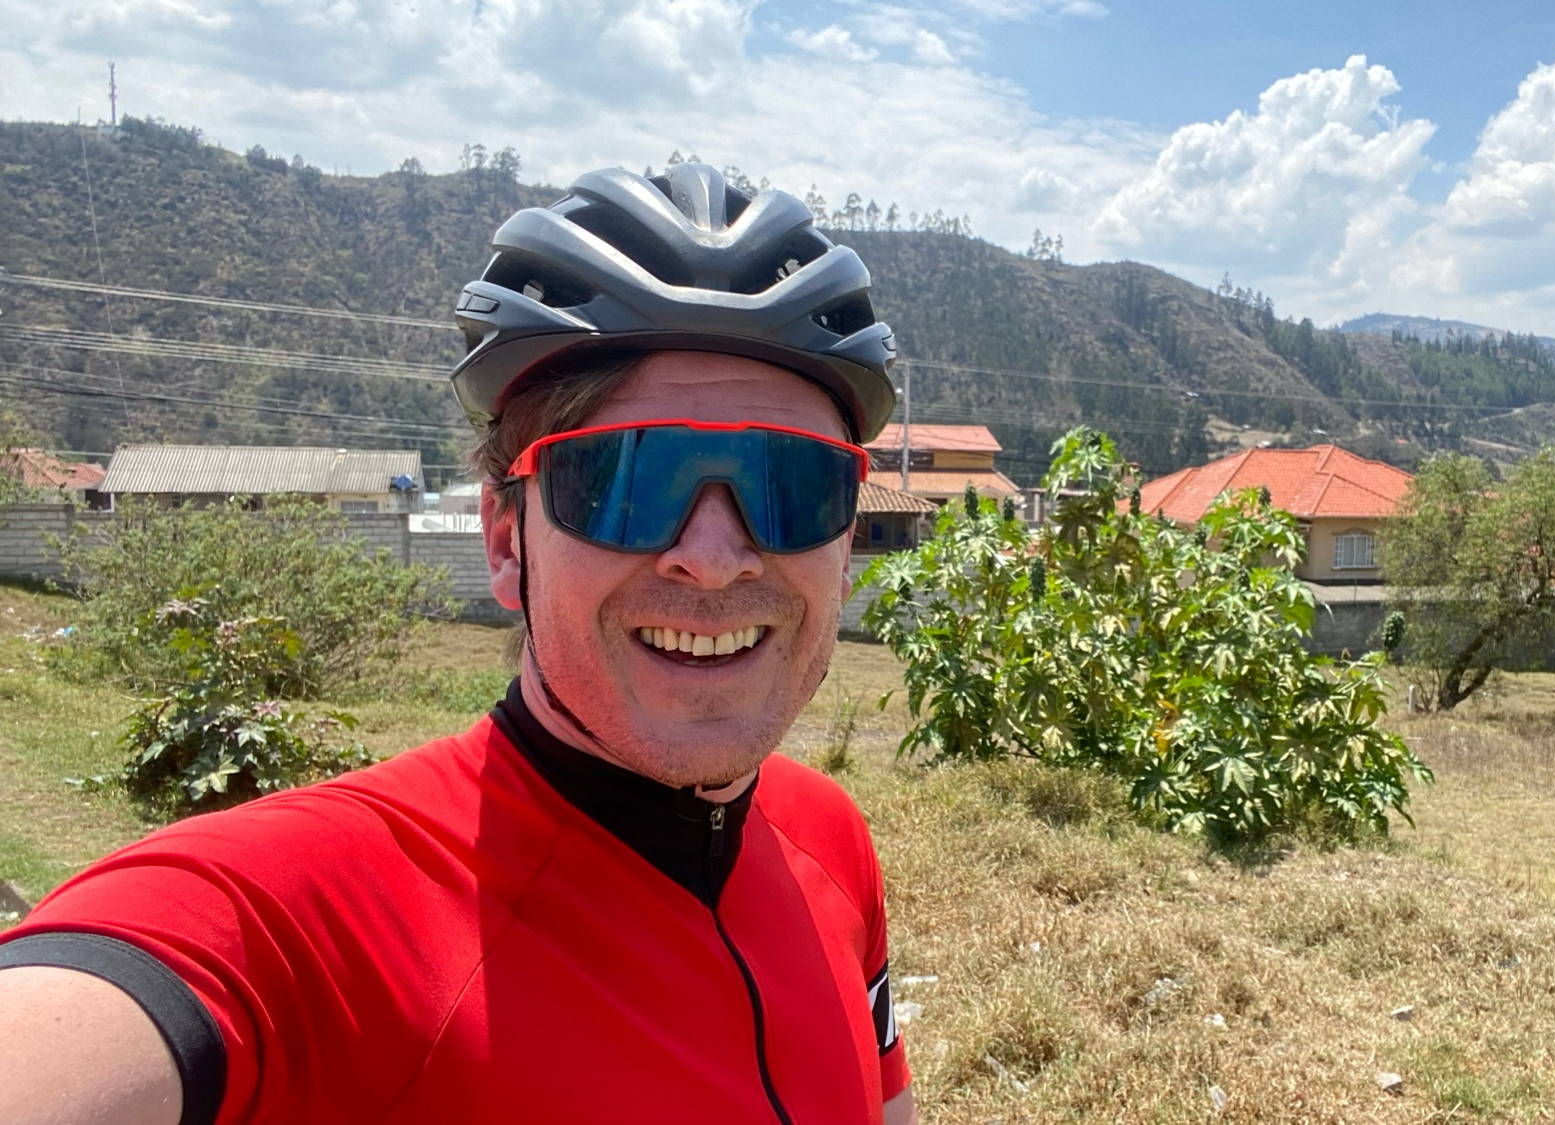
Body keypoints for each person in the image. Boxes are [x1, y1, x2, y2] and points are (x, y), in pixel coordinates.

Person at [0, 163, 917, 1125]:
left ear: (847, 531)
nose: (717, 558)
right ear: (505, 537)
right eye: (627, 479)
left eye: (794, 484)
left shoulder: (831, 840)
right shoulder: (312, 919)